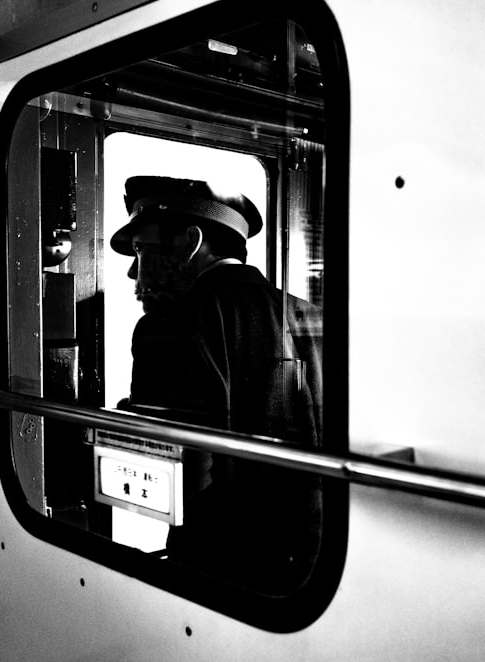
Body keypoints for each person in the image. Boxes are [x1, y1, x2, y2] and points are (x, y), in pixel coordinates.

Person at [110, 175, 323, 593]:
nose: (134, 270)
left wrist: (126, 431)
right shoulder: (312, 317)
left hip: (217, 564)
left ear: (191, 241)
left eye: (140, 248)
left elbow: (179, 484)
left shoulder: (165, 326)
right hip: (310, 562)